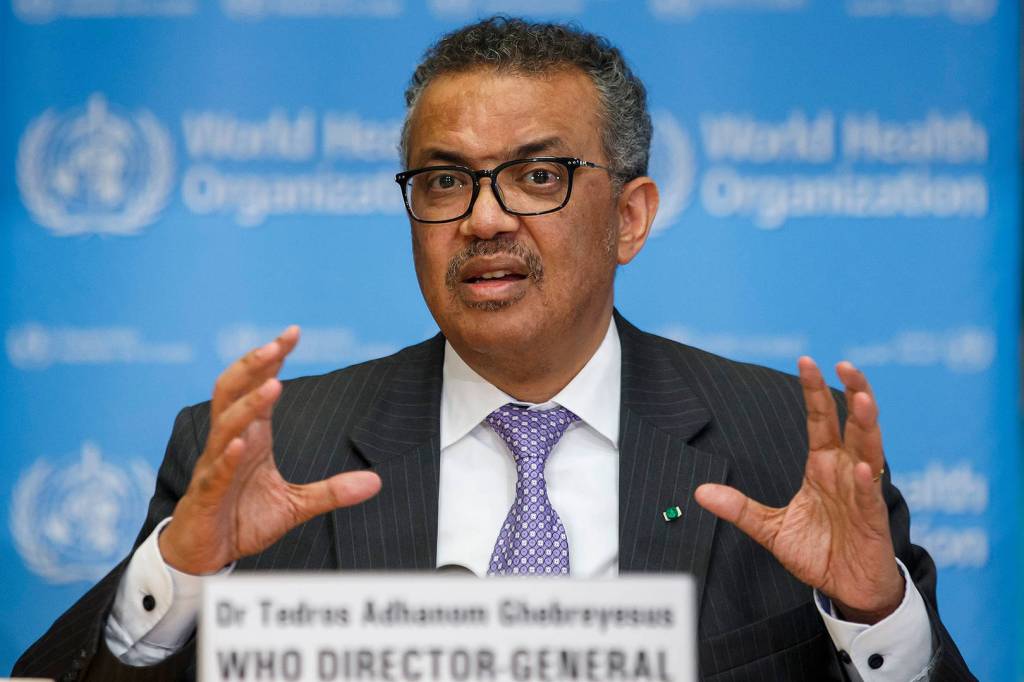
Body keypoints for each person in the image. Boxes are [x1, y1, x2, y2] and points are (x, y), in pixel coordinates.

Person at [14, 16, 974, 682]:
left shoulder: (786, 446)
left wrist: (873, 617)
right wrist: (182, 574)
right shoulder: (276, 452)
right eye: (444, 181)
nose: (482, 219)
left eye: (537, 176)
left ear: (630, 217)